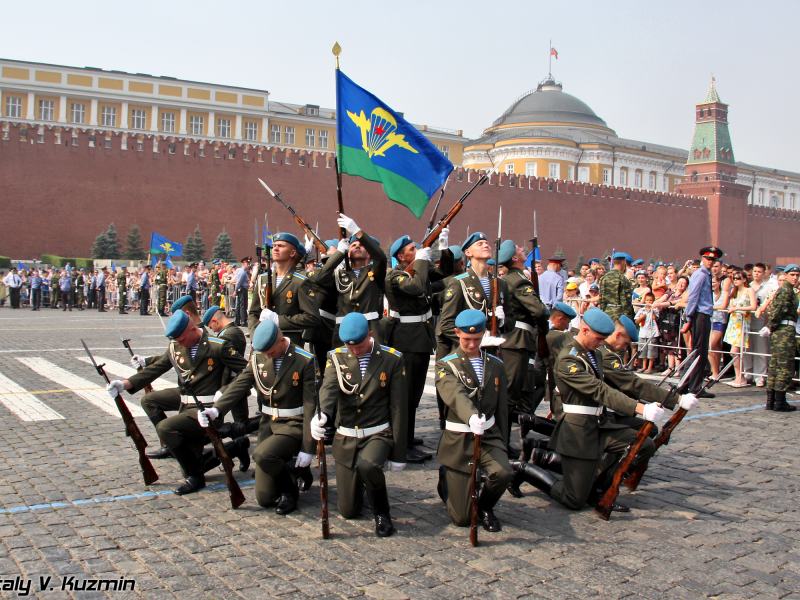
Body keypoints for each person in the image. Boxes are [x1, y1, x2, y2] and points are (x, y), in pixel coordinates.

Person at [509, 309, 663, 512]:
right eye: (599, 338)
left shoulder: (594, 354)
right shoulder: (569, 359)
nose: (602, 343)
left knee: (644, 445)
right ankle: (524, 468)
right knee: (573, 500)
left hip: (601, 425)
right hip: (579, 431)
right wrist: (639, 408)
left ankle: (599, 492)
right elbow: (601, 391)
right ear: (584, 330)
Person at [106, 311, 251, 494]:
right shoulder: (175, 346)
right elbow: (156, 369)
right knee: (189, 465)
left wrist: (224, 390)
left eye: (182, 339)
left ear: (192, 329)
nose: (180, 344)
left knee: (166, 428)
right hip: (186, 408)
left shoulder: (217, 346)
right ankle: (235, 447)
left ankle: (196, 478)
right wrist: (124, 384)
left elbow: (246, 371)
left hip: (207, 411)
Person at [200, 319, 317, 514]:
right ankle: (294, 470)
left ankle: (290, 492)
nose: (268, 357)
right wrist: (216, 410)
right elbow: (240, 384)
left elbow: (311, 404)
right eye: (264, 353)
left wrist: (308, 447)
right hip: (267, 425)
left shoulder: (304, 360)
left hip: (293, 424)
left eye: (271, 352)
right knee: (265, 499)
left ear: (281, 340)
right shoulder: (258, 358)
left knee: (262, 455)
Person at [311, 313, 406, 537]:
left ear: (370, 336)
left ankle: (382, 513)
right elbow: (329, 389)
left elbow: (398, 407)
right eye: (349, 346)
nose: (355, 351)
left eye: (360, 345)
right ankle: (363, 486)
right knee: (348, 510)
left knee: (369, 466)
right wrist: (322, 414)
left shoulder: (392, 359)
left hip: (377, 432)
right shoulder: (336, 358)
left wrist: (399, 453)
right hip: (346, 438)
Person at [435, 309, 513, 532]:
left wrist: (503, 443)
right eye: (467, 339)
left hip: (488, 435)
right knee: (461, 519)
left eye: (477, 339)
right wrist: (471, 416)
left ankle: (486, 507)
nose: (471, 344)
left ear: (484, 335)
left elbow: (501, 409)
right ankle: (446, 483)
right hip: (460, 439)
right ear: (457, 333)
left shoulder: (495, 365)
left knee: (503, 472)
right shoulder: (446, 365)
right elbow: (455, 394)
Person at [384, 230, 452, 464]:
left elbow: (445, 273)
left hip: (419, 339)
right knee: (406, 395)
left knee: (414, 393)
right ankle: (402, 444)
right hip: (406, 341)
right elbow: (416, 287)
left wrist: (443, 248)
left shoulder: (418, 271)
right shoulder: (395, 276)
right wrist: (422, 260)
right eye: (413, 250)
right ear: (401, 257)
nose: (418, 251)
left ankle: (409, 438)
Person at [495, 239, 547, 456]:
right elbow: (539, 311)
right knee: (509, 395)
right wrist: (543, 330)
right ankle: (501, 444)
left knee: (512, 393)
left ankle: (502, 441)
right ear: (514, 258)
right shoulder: (518, 281)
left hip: (512, 339)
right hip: (517, 340)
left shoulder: (508, 279)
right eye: (518, 249)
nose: (522, 249)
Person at [319, 215, 388, 345]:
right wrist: (339, 253)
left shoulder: (374, 271)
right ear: (348, 253)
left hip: (369, 327)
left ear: (368, 253)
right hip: (343, 328)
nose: (357, 246)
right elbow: (321, 278)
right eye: (353, 245)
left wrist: (357, 232)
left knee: (372, 364)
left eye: (361, 245)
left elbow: (381, 258)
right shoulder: (339, 274)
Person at [248, 233, 320, 347]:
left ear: (292, 253)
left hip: (289, 343)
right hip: (263, 342)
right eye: (275, 245)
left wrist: (279, 320)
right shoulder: (263, 279)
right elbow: (253, 313)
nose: (276, 248)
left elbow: (312, 318)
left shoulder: (300, 281)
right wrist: (255, 335)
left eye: (281, 246)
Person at [682, 247, 723, 398]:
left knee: (698, 351)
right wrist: (689, 318)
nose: (710, 261)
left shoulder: (705, 274)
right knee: (700, 352)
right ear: (702, 259)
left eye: (713, 259)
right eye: (708, 259)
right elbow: (693, 297)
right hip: (701, 315)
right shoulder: (700, 274)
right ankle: (694, 386)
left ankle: (686, 384)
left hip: (702, 315)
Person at [201, 305, 249, 425]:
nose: (212, 329)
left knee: (242, 422)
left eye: (211, 326)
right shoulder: (228, 331)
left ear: (215, 321)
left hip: (234, 380)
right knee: (241, 421)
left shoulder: (230, 333)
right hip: (231, 380)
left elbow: (213, 346)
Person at [762, 264, 799, 412]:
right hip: (784, 331)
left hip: (781, 330)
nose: (795, 278)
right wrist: (770, 326)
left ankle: (771, 401)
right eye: (792, 275)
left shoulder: (786, 290)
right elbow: (780, 311)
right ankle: (780, 401)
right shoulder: (786, 291)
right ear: (786, 275)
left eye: (797, 275)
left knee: (775, 365)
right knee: (785, 366)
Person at [724, 269, 756, 387]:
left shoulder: (749, 290)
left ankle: (741, 377)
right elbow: (731, 305)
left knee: (735, 351)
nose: (736, 280)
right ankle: (739, 376)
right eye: (734, 278)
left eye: (738, 278)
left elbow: (753, 306)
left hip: (742, 323)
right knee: (734, 352)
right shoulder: (734, 291)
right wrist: (733, 308)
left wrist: (738, 309)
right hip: (733, 323)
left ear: (744, 279)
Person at [745, 263, 774, 386]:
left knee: (761, 350)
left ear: (764, 273)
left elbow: (770, 307)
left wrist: (767, 322)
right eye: (755, 271)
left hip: (761, 321)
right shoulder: (748, 286)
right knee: (747, 348)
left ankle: (760, 376)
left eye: (759, 272)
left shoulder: (768, 287)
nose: (756, 274)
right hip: (747, 320)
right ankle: (748, 373)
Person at [600, 252, 634, 322]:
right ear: (623, 262)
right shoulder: (622, 278)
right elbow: (625, 301)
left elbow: (601, 298)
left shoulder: (605, 277)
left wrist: (603, 311)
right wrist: (629, 317)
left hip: (607, 312)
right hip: (619, 314)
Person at [634, 292, 659, 373]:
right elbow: (637, 321)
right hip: (643, 332)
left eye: (651, 301)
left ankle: (650, 367)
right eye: (647, 300)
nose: (649, 302)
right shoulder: (641, 310)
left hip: (652, 332)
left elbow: (655, 318)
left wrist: (652, 310)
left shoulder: (655, 309)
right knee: (643, 350)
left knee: (651, 350)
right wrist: (641, 317)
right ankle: (644, 367)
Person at [233, 257, 251, 327]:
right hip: (242, 289)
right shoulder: (243, 272)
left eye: (249, 263)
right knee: (243, 305)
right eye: (247, 263)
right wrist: (235, 290)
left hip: (242, 289)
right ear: (243, 263)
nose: (248, 264)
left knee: (239, 305)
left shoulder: (244, 271)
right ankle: (243, 321)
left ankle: (237, 321)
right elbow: (239, 282)